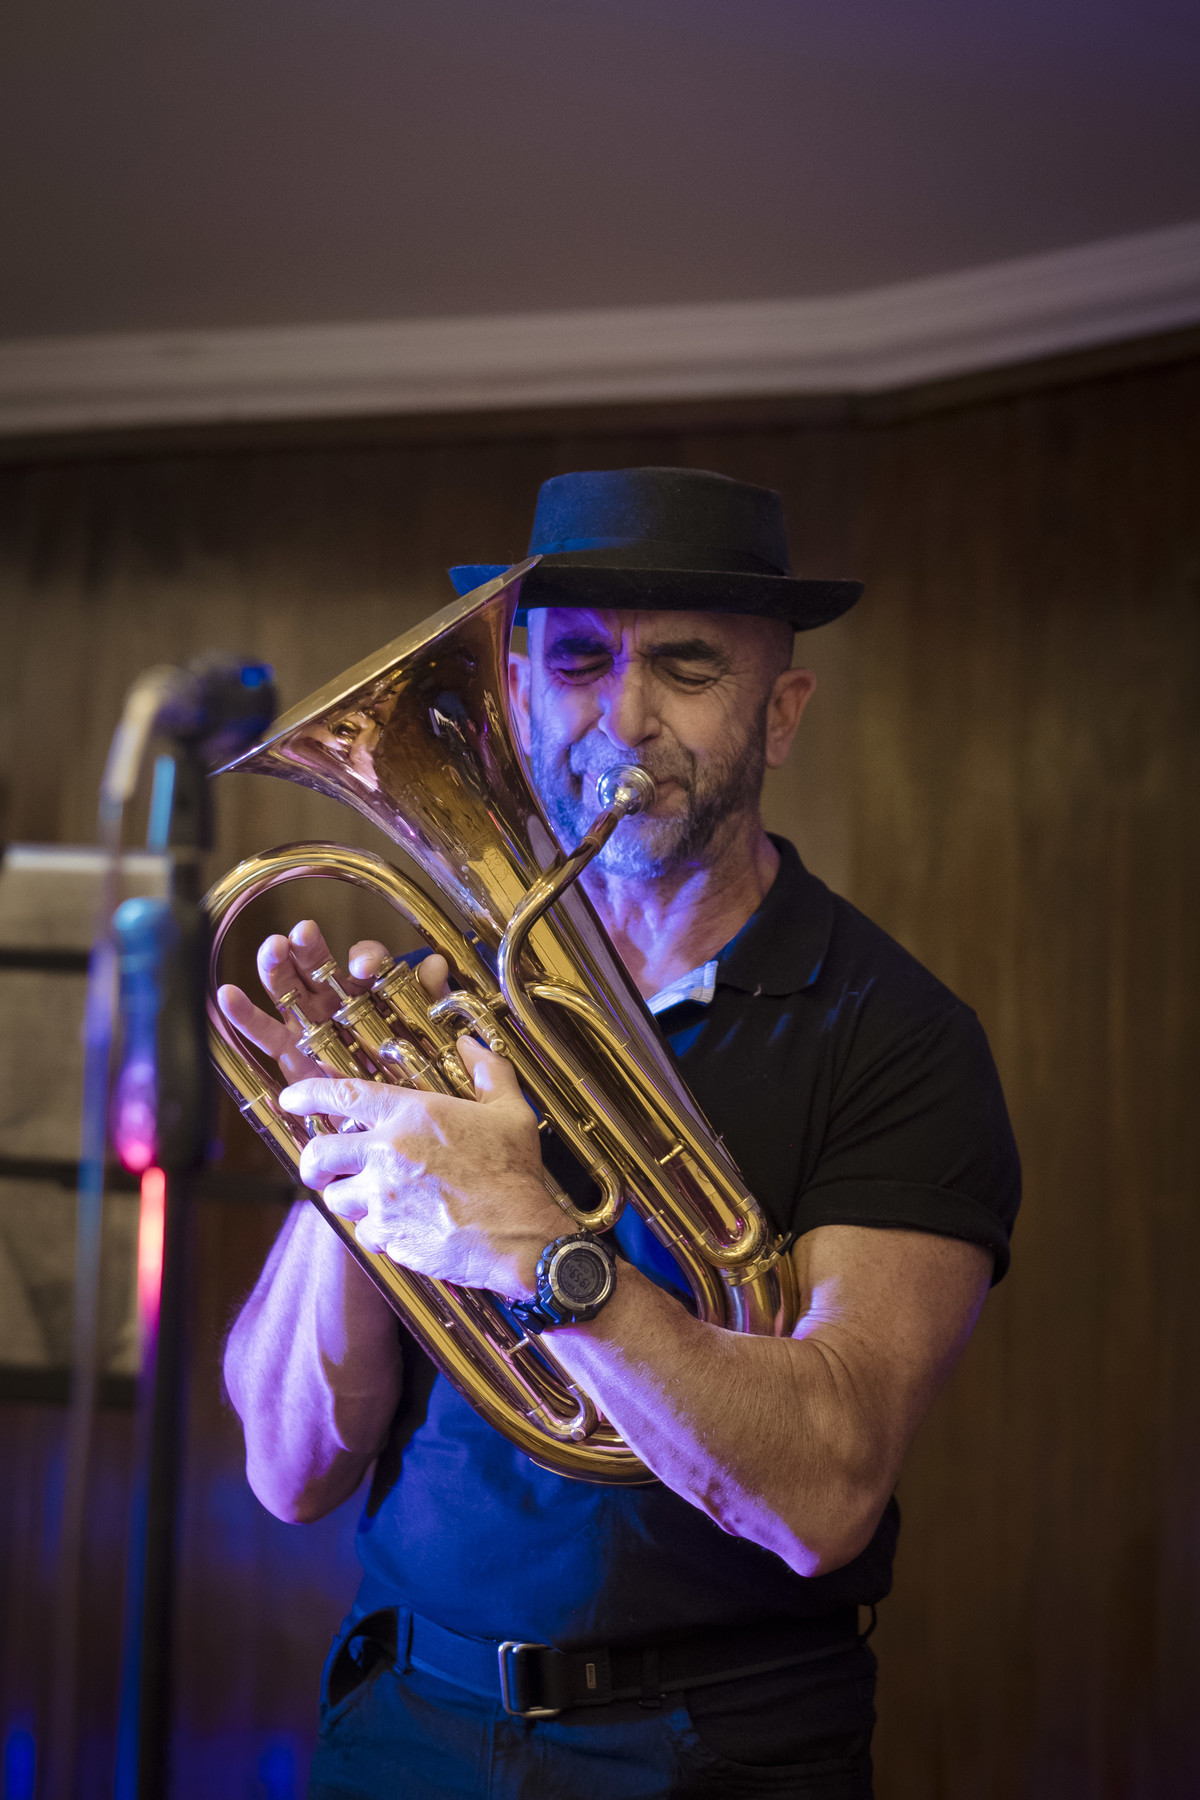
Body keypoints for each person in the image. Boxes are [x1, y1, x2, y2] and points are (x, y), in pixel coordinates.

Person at [220, 467, 1020, 1800]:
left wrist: (535, 1244)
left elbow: (826, 1493)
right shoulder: (446, 1009)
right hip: (403, 1718)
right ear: (520, 699)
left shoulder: (901, 1038)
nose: (627, 717)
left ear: (783, 711)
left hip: (717, 1749)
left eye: (689, 668)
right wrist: (352, 1153)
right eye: (579, 662)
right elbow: (289, 1469)